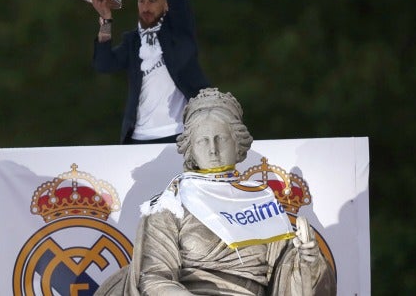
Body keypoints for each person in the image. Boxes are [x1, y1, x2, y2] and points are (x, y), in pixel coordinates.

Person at [94, 88, 337, 295]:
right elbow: (152, 280)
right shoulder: (170, 204)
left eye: (221, 139)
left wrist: (308, 262)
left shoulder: (262, 203)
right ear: (191, 149)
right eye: (203, 141)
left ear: (238, 144)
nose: (213, 149)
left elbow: (286, 278)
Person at [91, 0, 210, 144]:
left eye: (153, 1)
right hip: (138, 137)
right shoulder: (133, 41)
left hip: (181, 134)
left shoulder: (179, 30)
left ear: (165, 5)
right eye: (141, 1)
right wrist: (106, 20)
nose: (145, 8)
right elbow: (104, 64)